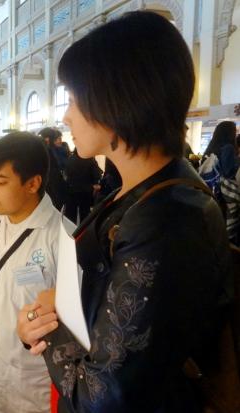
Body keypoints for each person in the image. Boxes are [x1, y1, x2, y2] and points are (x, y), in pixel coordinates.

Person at [16, 11, 233, 413]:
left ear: (116, 102)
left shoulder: (167, 220)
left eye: (75, 100)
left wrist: (49, 329)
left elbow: (101, 397)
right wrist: (52, 310)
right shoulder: (138, 192)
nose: (66, 116)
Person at [0, 133, 67, 413]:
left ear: (33, 183)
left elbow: (75, 324)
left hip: (30, 374)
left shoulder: (63, 238)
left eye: (0, 182)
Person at [63, 148, 102, 224]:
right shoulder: (89, 160)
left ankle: (70, 233)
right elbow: (97, 175)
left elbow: (66, 174)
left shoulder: (69, 159)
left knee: (71, 216)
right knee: (84, 215)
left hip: (71, 190)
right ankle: (82, 235)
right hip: (85, 191)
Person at [38, 127, 69, 210]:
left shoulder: (53, 150)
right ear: (48, 139)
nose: (57, 141)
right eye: (55, 138)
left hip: (53, 182)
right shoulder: (46, 150)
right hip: (51, 183)